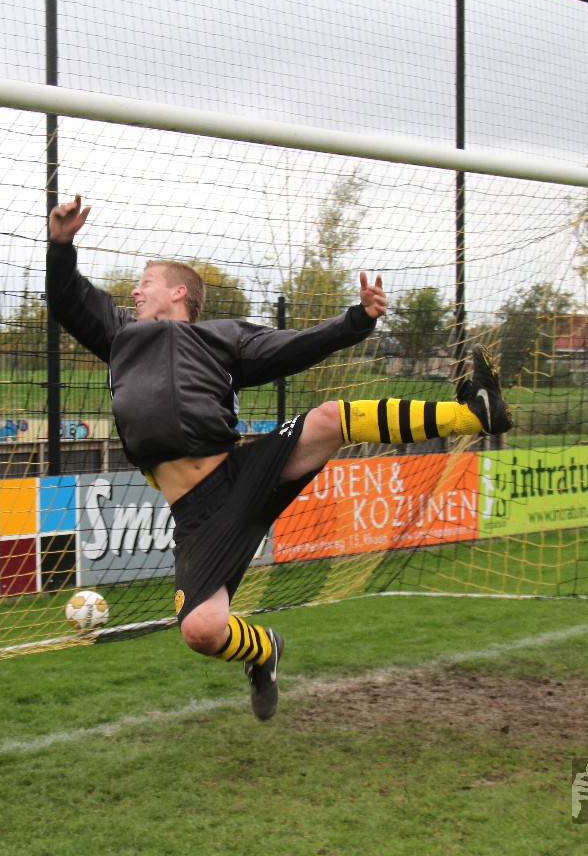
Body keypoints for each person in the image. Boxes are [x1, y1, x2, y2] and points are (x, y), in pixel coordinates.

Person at [47, 195, 512, 721]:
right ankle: (264, 650)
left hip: (241, 474)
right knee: (202, 631)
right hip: (198, 515)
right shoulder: (120, 334)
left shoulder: (223, 338)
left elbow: (296, 346)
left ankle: (473, 414)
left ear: (179, 292)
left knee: (330, 418)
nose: (135, 290)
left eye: (146, 282)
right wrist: (61, 244)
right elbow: (66, 298)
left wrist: (357, 320)